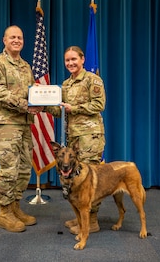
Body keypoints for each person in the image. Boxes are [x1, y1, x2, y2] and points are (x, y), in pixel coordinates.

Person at [0, 25, 43, 232]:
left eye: (20, 37)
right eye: (12, 37)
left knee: (25, 169)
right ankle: (5, 212)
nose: (17, 40)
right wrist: (28, 105)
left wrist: (42, 97)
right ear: (4, 40)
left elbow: (29, 93)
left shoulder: (25, 66)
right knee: (9, 169)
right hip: (5, 125)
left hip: (24, 124)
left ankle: (16, 207)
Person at [46, 46, 106, 235]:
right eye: (67, 60)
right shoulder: (65, 84)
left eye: (74, 59)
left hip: (90, 138)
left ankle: (93, 221)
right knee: (76, 179)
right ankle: (82, 216)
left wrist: (75, 108)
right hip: (74, 139)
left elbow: (99, 104)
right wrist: (43, 105)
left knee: (90, 180)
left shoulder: (92, 79)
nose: (70, 63)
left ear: (82, 60)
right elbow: (61, 110)